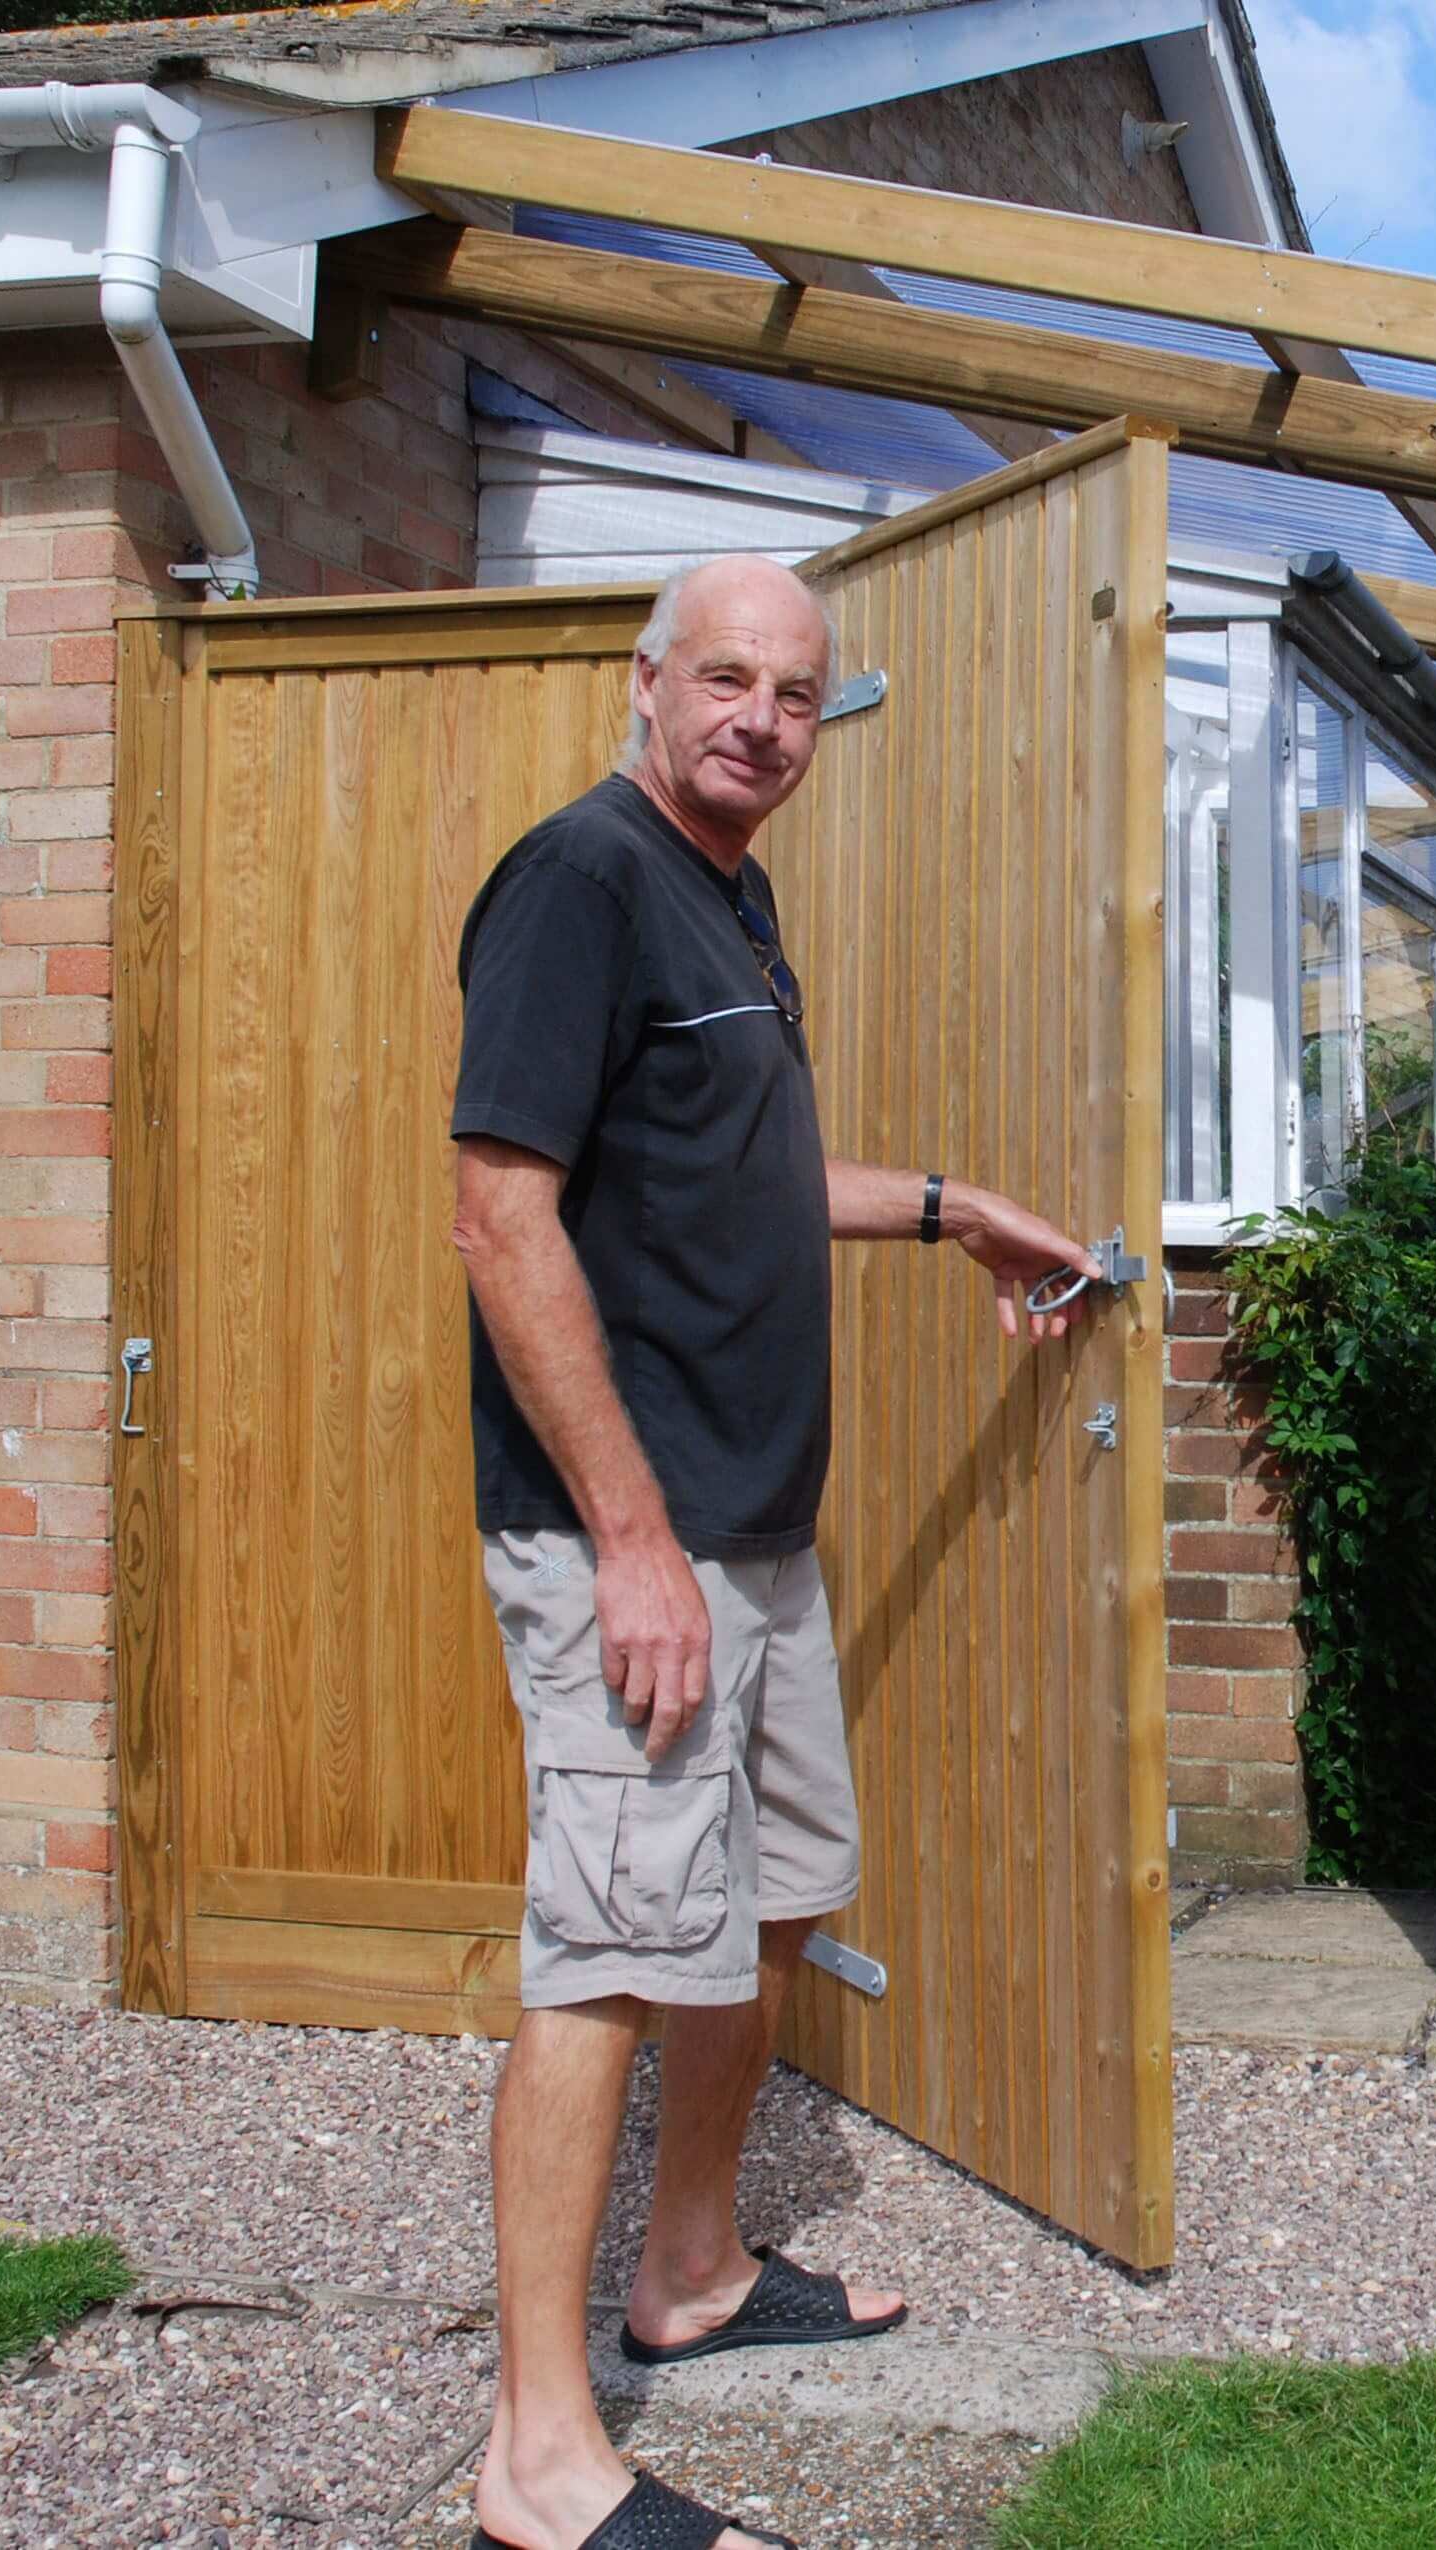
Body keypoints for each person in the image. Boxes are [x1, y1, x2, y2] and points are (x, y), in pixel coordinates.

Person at [448, 554, 1099, 2550]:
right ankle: (537, 2459)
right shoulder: (577, 882)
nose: (757, 717)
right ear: (645, 682)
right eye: (722, 678)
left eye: (794, 693)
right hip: (631, 1541)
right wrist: (628, 1542)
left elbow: (720, 1174)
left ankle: (697, 2272)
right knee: (611, 1957)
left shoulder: (723, 886)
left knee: (781, 1891)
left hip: (752, 1528)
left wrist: (944, 1205)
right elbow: (503, 1214)